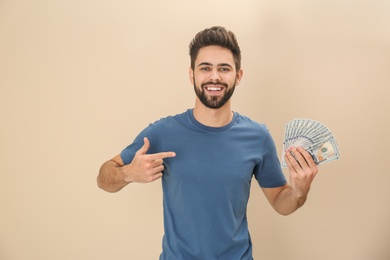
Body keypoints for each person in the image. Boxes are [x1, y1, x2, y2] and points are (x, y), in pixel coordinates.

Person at [97, 26, 318, 260]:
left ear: (238, 76)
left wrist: (298, 192)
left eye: (224, 68)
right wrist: (128, 174)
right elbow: (104, 178)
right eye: (205, 68)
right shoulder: (163, 132)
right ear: (192, 74)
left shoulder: (258, 136)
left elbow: (281, 203)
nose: (215, 77)